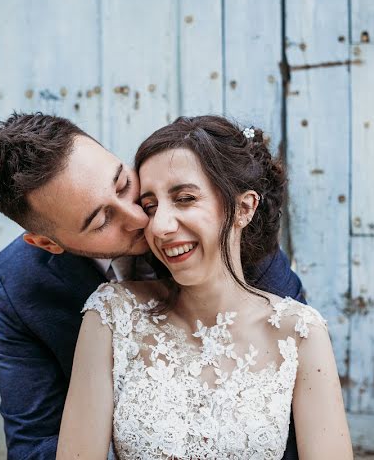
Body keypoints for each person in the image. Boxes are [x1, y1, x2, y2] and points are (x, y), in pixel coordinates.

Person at [0, 112, 305, 459]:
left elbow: (291, 405)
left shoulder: (219, 226)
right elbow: (33, 445)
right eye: (101, 220)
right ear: (47, 243)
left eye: (123, 184)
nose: (143, 218)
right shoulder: (19, 282)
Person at [56, 116, 352, 459]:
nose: (160, 226)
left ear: (243, 207)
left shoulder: (300, 333)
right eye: (150, 206)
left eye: (184, 198)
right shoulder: (112, 314)